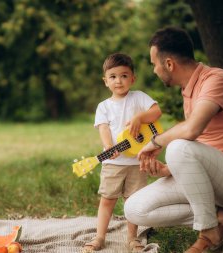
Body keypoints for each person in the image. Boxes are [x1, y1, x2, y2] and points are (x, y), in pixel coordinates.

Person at [124, 27, 223, 253]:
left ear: (169, 64)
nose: (154, 70)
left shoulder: (217, 79)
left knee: (178, 146)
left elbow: (192, 131)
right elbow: (205, 145)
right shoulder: (188, 91)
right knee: (134, 208)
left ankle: (208, 233)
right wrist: (169, 170)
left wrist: (155, 142)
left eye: (154, 64)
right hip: (219, 179)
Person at [83, 53, 162, 252]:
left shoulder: (139, 98)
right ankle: (100, 237)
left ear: (133, 78)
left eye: (124, 75)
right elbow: (103, 128)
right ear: (106, 81)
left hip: (138, 162)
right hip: (113, 164)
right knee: (107, 200)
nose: (119, 80)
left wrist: (139, 118)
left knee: (132, 202)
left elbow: (156, 112)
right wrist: (109, 146)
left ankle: (132, 238)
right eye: (113, 76)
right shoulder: (104, 107)